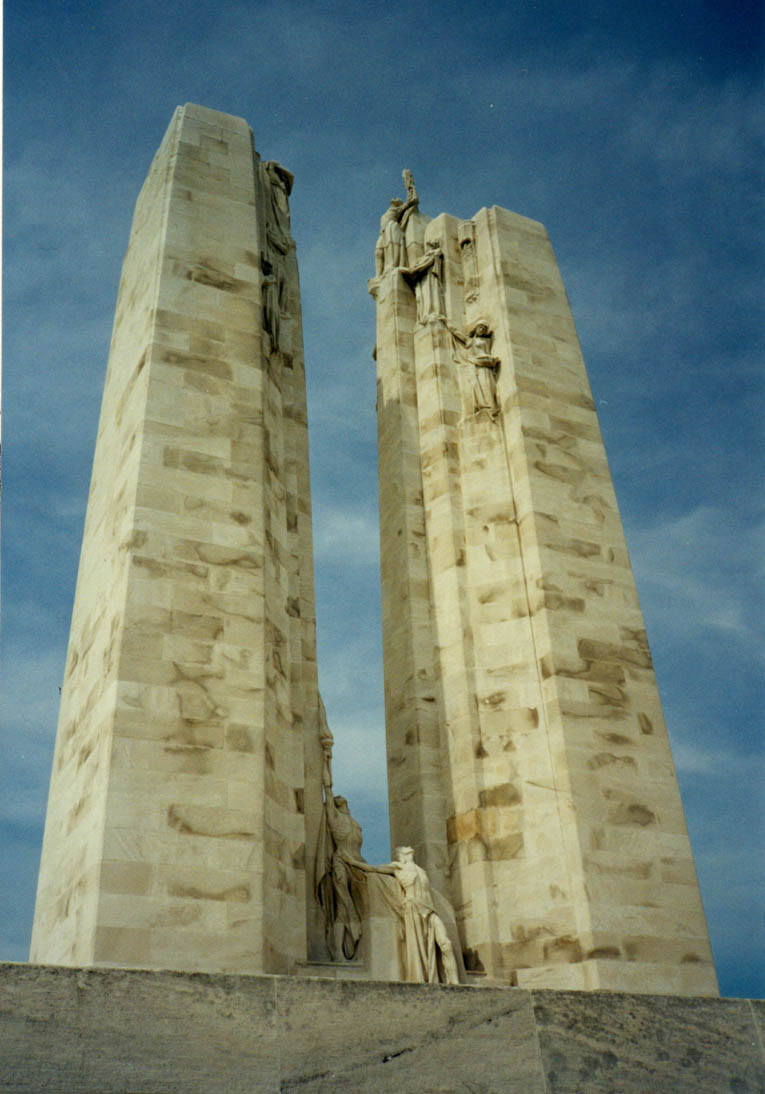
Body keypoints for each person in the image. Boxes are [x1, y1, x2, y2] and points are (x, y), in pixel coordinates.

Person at [374, 846, 459, 985]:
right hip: (413, 907)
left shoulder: (421, 870)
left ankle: (454, 981)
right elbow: (375, 869)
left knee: (446, 943)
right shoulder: (397, 867)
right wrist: (354, 863)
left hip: (429, 909)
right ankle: (424, 976)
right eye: (405, 851)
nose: (409, 850)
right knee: (420, 946)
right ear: (400, 855)